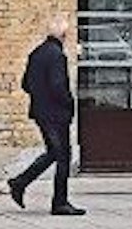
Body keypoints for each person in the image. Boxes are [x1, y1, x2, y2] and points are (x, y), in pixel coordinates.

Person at [8, 15, 83, 215]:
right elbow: (58, 85)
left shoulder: (36, 53)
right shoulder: (57, 55)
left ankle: (20, 182)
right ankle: (60, 202)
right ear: (63, 34)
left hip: (41, 112)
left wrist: (39, 95)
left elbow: (25, 84)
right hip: (56, 114)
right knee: (63, 157)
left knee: (53, 152)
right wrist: (68, 102)